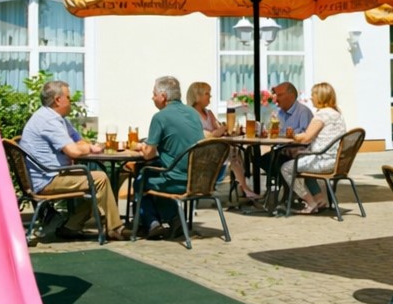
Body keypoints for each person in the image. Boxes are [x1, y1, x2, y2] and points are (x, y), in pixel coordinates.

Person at [18, 79, 122, 240]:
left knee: (96, 181)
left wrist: (83, 146)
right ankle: (114, 229)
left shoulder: (57, 119)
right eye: (68, 97)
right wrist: (89, 148)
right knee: (100, 179)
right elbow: (74, 151)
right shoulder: (49, 121)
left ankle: (71, 226)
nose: (71, 101)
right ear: (58, 100)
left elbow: (78, 141)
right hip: (48, 179)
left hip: (52, 174)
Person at [130, 75, 205, 239]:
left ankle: (152, 223)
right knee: (156, 173)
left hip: (176, 181)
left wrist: (141, 147)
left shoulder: (160, 117)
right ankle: (175, 219)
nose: (152, 97)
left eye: (154, 94)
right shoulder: (193, 113)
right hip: (198, 180)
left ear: (163, 96)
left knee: (141, 179)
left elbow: (149, 154)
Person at [280, 82, 347, 214]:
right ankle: (319, 199)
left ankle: (310, 203)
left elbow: (306, 137)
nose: (311, 98)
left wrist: (292, 136)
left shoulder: (322, 115)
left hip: (323, 161)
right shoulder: (337, 114)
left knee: (286, 168)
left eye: (313, 95)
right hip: (336, 161)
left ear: (321, 97)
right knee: (301, 162)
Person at [188, 81, 255, 201]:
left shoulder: (208, 113)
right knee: (233, 152)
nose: (210, 96)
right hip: (201, 153)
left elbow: (218, 131)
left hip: (214, 148)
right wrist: (221, 129)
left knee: (235, 151)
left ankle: (243, 187)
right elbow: (207, 135)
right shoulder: (191, 114)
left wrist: (223, 130)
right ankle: (244, 188)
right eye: (207, 93)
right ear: (197, 96)